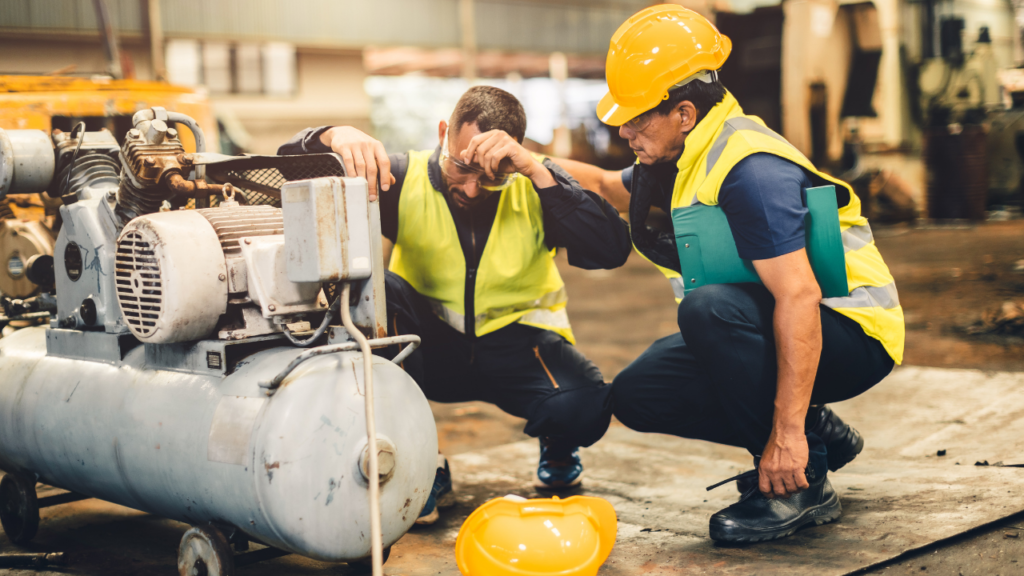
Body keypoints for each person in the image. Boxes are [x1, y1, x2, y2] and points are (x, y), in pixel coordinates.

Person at [588, 5, 905, 543]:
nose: (624, 130)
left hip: (851, 332)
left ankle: (797, 482)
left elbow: (800, 295)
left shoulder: (748, 170)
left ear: (684, 113)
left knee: (709, 309)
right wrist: (521, 162)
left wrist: (784, 435)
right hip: (789, 326)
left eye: (638, 117)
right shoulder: (688, 152)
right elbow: (601, 185)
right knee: (639, 394)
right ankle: (820, 433)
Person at [278, 86, 631, 524]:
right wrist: (331, 137)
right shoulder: (401, 178)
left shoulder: (533, 185)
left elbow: (611, 250)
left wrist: (536, 173)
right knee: (378, 284)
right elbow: (282, 173)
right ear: (444, 132)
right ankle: (420, 463)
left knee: (583, 409)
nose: (471, 186)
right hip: (431, 349)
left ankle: (558, 442)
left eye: (490, 173)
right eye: (462, 165)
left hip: (520, 349)